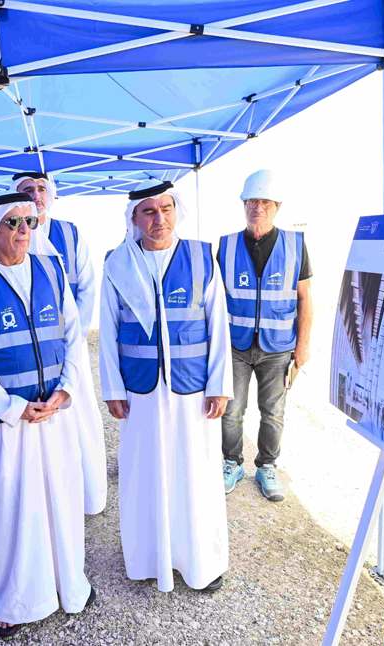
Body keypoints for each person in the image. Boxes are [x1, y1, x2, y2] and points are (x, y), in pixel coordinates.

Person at [0, 192, 94, 637]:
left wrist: (66, 391)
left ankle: (70, 585)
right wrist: (13, 407)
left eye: (28, 222)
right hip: (7, 422)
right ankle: (14, 599)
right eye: (12, 223)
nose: (22, 232)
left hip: (53, 414)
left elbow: (73, 335)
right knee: (10, 507)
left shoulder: (52, 269)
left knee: (62, 500)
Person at [99, 180, 232, 593]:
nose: (160, 219)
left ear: (178, 211)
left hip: (193, 391)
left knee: (196, 475)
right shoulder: (117, 263)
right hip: (140, 392)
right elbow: (107, 328)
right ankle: (147, 560)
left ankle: (199, 563)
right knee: (143, 475)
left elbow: (218, 324)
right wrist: (113, 388)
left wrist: (220, 384)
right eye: (149, 212)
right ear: (134, 219)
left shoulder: (200, 256)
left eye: (166, 209)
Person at [12, 171, 107, 515]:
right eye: (27, 190)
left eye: (40, 189)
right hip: (34, 352)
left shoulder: (69, 232)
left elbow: (87, 285)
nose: (35, 195)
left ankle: (88, 494)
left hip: (71, 343)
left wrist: (74, 338)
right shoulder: (12, 232)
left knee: (79, 416)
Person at [217, 169, 313, 502]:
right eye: (252, 201)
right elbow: (214, 300)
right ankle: (231, 462)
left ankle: (266, 466)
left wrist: (302, 348)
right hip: (237, 345)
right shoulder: (226, 246)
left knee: (273, 413)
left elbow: (305, 299)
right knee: (231, 410)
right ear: (244, 204)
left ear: (277, 207)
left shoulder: (295, 245)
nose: (258, 207)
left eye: (265, 202)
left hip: (278, 349)